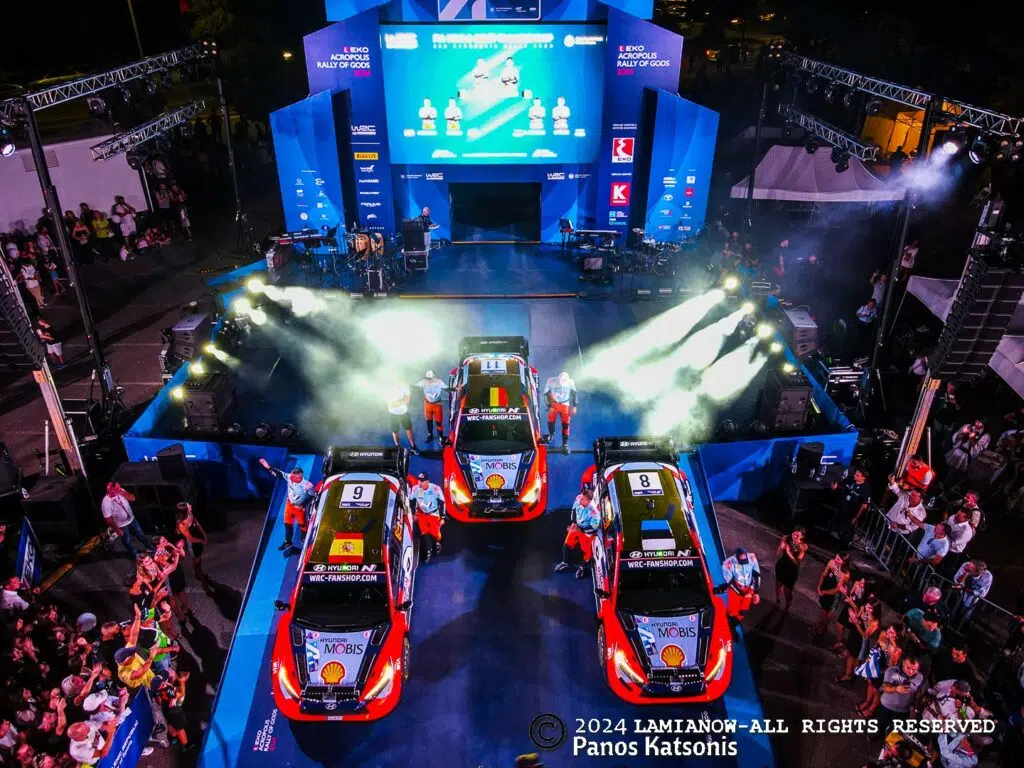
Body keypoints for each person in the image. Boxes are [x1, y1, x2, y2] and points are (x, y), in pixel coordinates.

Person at [258, 460, 314, 553]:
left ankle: (304, 538)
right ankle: (288, 542)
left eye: (293, 476)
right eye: (291, 475)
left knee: (302, 524)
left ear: (299, 477)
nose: (290, 477)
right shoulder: (289, 477)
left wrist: (304, 505)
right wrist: (268, 467)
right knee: (288, 523)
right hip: (289, 505)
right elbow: (279, 474)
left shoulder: (308, 485)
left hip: (299, 507)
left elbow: (311, 496)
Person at [855, 624, 902, 717]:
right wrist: (868, 662)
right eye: (889, 629)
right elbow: (875, 647)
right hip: (873, 665)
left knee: (876, 691)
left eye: (892, 632)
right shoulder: (883, 634)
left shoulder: (896, 650)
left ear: (897, 636)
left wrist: (880, 675)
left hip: (883, 671)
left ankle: (871, 709)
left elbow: (891, 667)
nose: (888, 632)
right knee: (869, 684)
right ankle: (867, 702)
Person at [554, 486, 601, 579]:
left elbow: (594, 528)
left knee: (585, 552)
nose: (580, 500)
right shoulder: (579, 498)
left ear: (588, 501)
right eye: (581, 497)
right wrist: (574, 523)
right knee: (567, 544)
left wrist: (580, 530)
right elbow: (574, 510)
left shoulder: (594, 513)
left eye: (583, 499)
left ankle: (582, 567)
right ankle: (565, 562)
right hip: (577, 527)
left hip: (587, 532)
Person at [876, 655, 925, 738]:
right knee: (879, 724)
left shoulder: (920, 677)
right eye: (908, 668)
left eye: (914, 669)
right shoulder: (891, 671)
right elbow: (885, 687)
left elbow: (918, 693)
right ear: (903, 663)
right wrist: (896, 689)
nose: (910, 671)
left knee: (894, 732)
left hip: (903, 711)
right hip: (886, 706)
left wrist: (915, 707)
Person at [101, 482, 149, 560]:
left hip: (132, 519)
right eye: (117, 490)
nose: (119, 490)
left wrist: (123, 493)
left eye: (118, 488)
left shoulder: (121, 491)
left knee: (141, 534)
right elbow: (108, 519)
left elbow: (133, 498)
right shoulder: (106, 502)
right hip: (121, 525)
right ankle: (135, 554)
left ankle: (149, 547)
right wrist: (117, 530)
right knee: (127, 541)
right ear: (111, 491)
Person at [811, 552, 851, 637]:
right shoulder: (831, 562)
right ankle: (819, 624)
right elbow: (824, 574)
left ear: (844, 562)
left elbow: (837, 590)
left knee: (830, 611)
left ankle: (822, 627)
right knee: (823, 608)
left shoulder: (845, 574)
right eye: (836, 557)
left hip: (835, 595)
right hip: (826, 586)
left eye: (839, 559)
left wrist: (824, 592)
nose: (836, 560)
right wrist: (819, 586)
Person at [408, 472, 445, 561]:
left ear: (427, 481)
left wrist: (442, 517)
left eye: (422, 481)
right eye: (419, 480)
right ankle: (428, 551)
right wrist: (413, 514)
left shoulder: (436, 489)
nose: (419, 482)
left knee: (435, 532)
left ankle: (437, 542)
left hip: (433, 513)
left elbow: (442, 502)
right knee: (424, 532)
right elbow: (412, 502)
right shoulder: (415, 489)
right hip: (421, 514)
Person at [829, 469, 871, 547]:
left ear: (863, 478)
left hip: (852, 512)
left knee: (847, 531)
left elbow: (864, 505)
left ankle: (844, 546)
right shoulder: (850, 479)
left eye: (857, 475)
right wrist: (835, 486)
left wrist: (856, 517)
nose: (854, 476)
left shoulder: (866, 488)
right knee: (834, 524)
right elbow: (839, 484)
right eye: (855, 474)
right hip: (841, 507)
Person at [175, 502, 210, 588]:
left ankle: (199, 572)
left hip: (198, 539)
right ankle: (198, 574)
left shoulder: (190, 514)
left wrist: (204, 535)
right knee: (196, 559)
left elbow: (197, 524)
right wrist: (201, 540)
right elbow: (190, 538)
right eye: (188, 506)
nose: (190, 506)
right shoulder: (181, 524)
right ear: (185, 511)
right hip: (192, 544)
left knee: (199, 557)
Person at [721, 548, 761, 620]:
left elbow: (756, 575)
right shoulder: (728, 563)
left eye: (744, 556)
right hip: (735, 588)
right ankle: (731, 620)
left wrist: (756, 592)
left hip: (748, 588)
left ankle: (738, 620)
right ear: (736, 556)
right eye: (741, 556)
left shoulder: (752, 558)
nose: (743, 557)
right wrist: (741, 593)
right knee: (732, 611)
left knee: (743, 611)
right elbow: (730, 581)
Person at [774, 527, 807, 613]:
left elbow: (796, 562)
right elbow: (777, 554)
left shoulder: (803, 546)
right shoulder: (786, 538)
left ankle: (788, 603)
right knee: (778, 584)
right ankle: (778, 600)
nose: (794, 536)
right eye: (793, 534)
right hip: (782, 565)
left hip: (792, 570)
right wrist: (780, 547)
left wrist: (788, 552)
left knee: (787, 590)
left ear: (802, 537)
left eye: (797, 535)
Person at [543, 371, 577, 452]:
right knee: (551, 421)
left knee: (566, 424)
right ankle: (551, 435)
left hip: (565, 405)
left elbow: (574, 394)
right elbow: (546, 394)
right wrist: (549, 406)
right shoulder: (551, 380)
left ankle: (565, 444)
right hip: (554, 404)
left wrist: (574, 406)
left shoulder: (571, 382)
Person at [414, 370, 448, 444]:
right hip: (427, 405)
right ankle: (430, 435)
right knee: (429, 421)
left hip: (437, 405)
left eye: (430, 378)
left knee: (438, 422)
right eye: (427, 378)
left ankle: (440, 437)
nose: (428, 380)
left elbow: (447, 389)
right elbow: (414, 387)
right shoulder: (424, 381)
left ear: (434, 376)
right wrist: (406, 386)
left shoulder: (439, 382)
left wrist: (456, 389)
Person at [385, 382, 419, 453]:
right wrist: (401, 401)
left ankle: (413, 446)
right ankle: (397, 447)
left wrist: (396, 402)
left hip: (404, 413)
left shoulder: (405, 386)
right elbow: (390, 403)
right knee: (395, 431)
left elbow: (407, 401)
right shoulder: (388, 387)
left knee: (409, 429)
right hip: (393, 414)